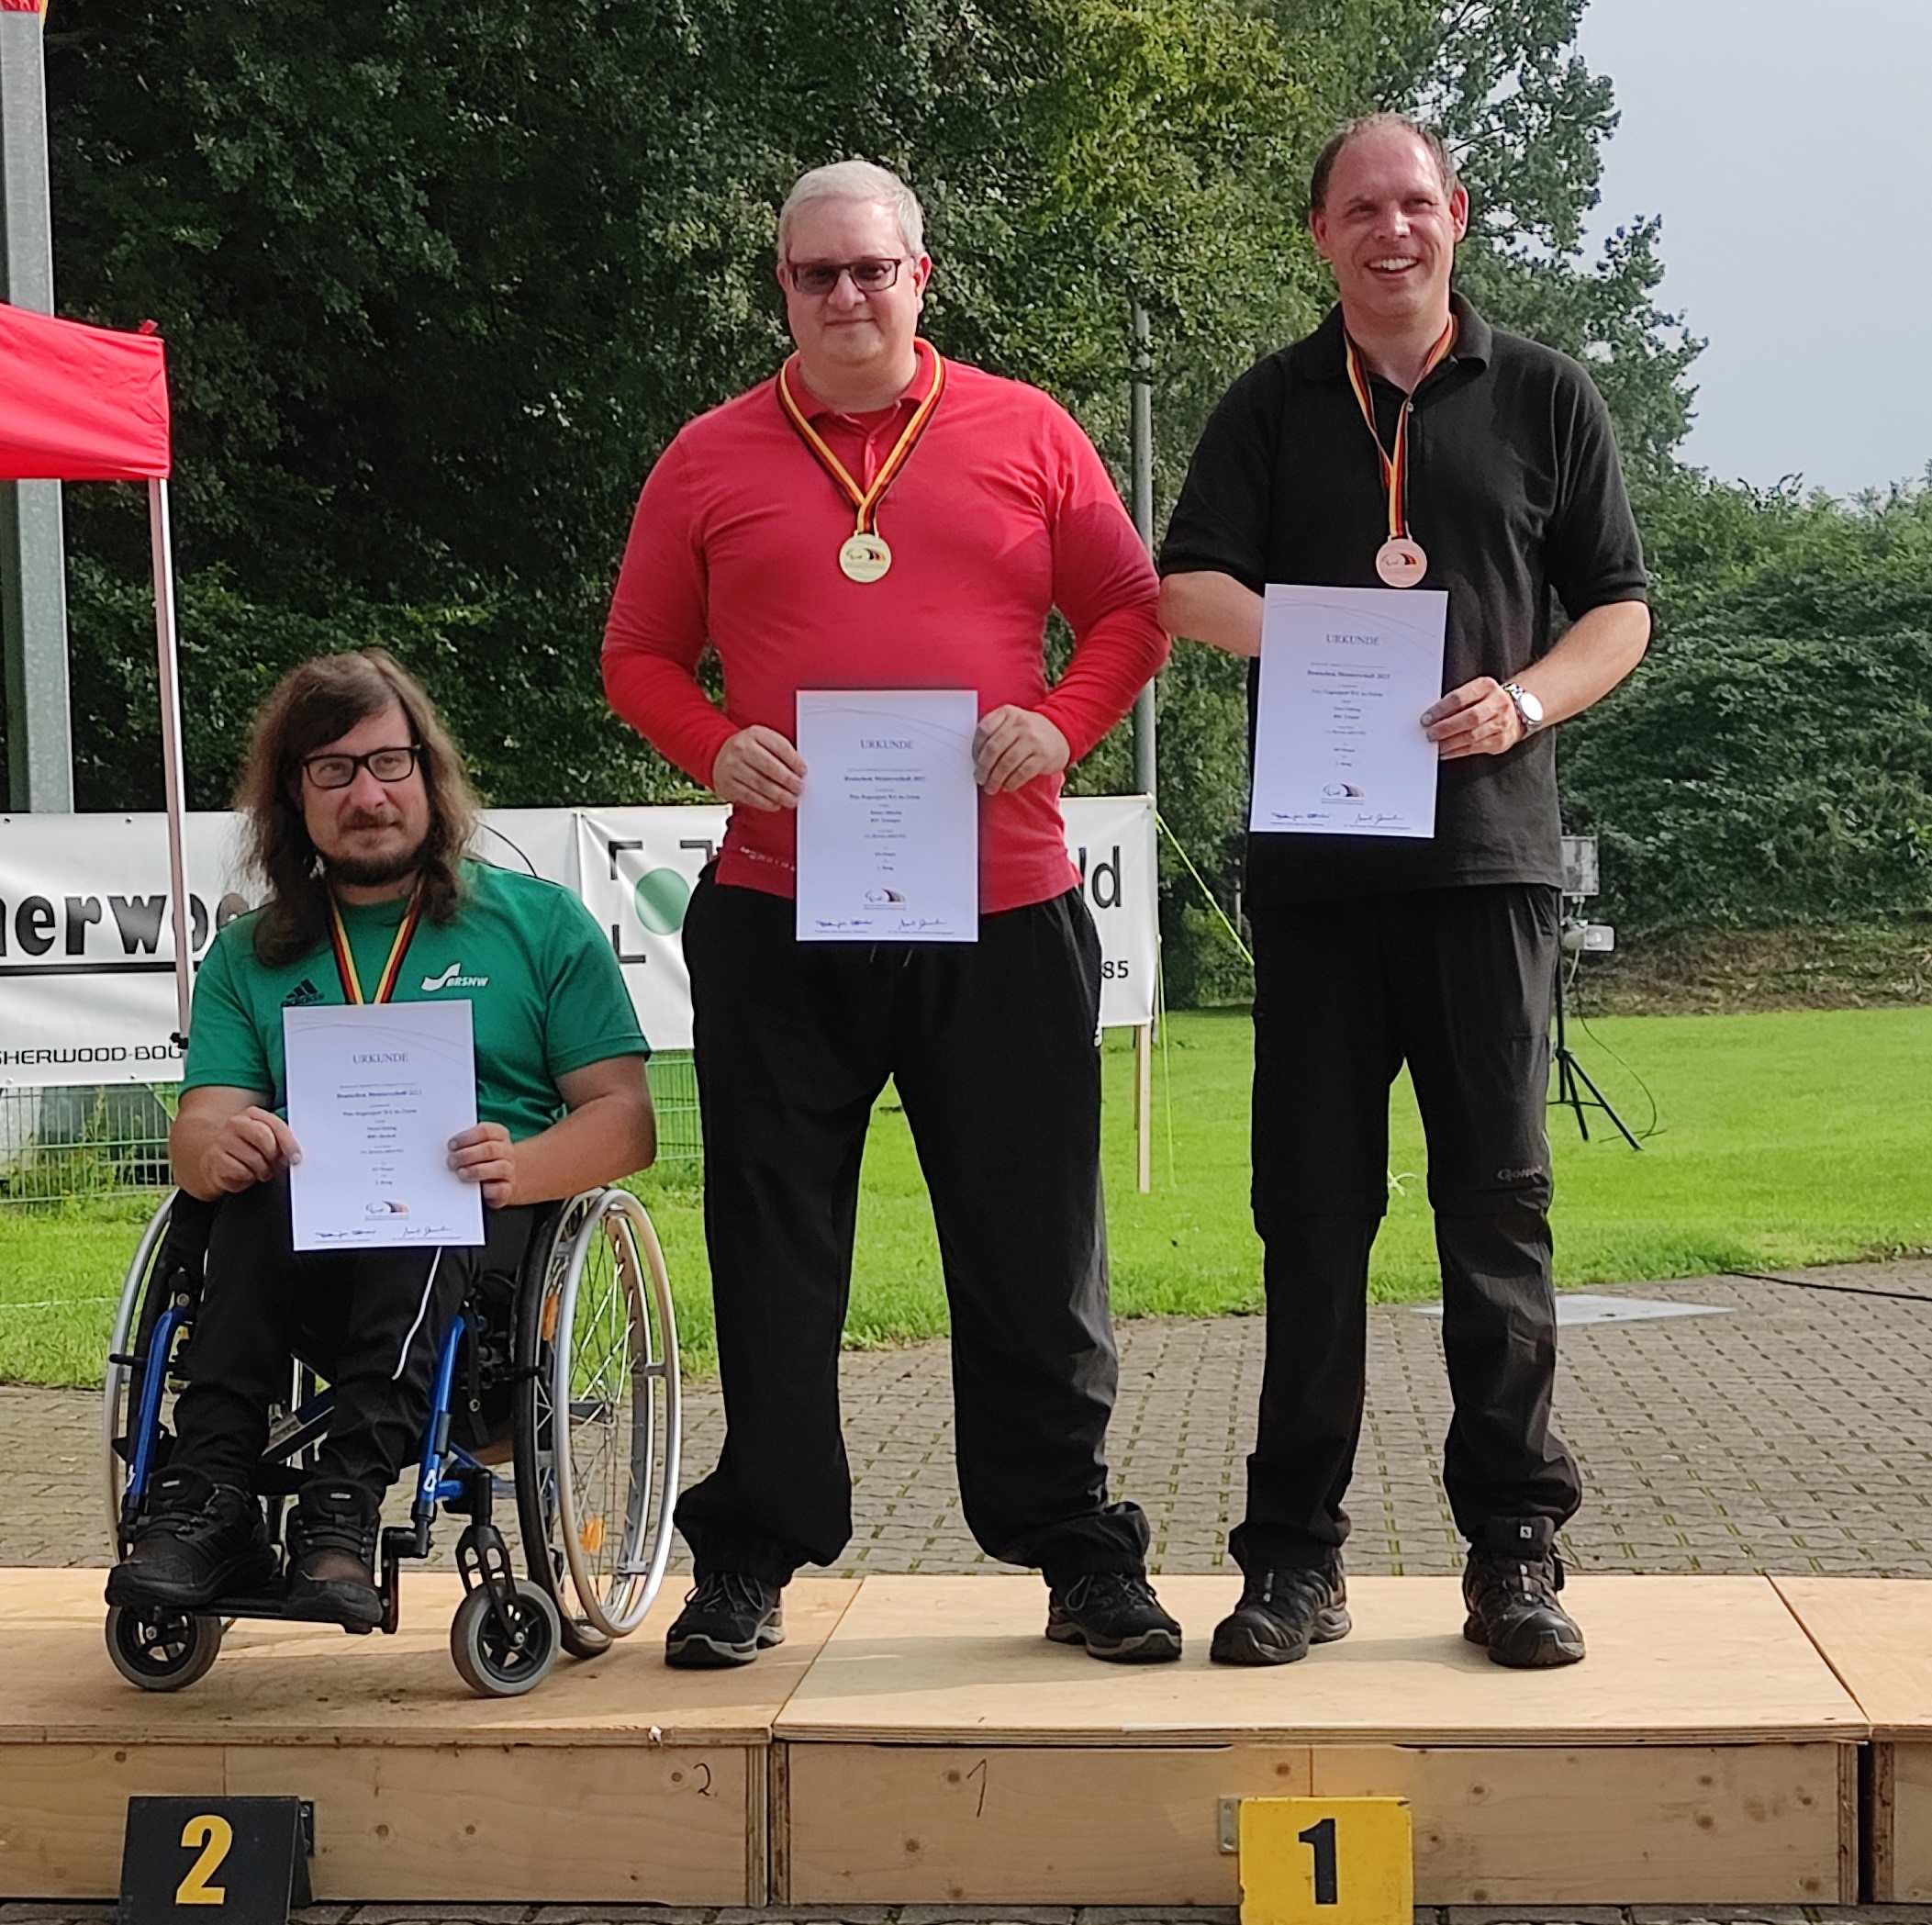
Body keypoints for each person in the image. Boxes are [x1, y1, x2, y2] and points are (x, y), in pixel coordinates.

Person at [604, 159, 1176, 1667]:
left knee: (1033, 1247)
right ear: (782, 288)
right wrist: (711, 745)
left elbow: (1130, 613)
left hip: (1002, 906)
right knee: (775, 1246)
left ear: (922, 275)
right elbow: (638, 655)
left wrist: (1060, 722)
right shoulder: (709, 455)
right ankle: (754, 1549)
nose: (847, 294)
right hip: (781, 910)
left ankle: (1074, 1544)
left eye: (872, 269)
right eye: (817, 274)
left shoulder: (1027, 430)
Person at [1158, 114, 1651, 1670]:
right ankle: (1295, 1559)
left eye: (1414, 204)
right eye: (1360, 208)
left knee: (1495, 1212)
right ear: (1320, 232)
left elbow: (1620, 608)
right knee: (1311, 1220)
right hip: (1317, 875)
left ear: (1458, 217)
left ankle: (1513, 1551)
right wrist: (1320, 641)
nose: (1391, 231)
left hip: (1486, 864)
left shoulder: (1547, 393)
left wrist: (1524, 699)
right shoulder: (1271, 400)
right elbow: (1184, 583)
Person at [106, 649, 654, 1630]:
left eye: (388, 763)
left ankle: (345, 1499)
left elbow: (624, 1118)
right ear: (295, 795)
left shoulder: (538, 926)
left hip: (486, 1245)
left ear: (427, 775)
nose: (367, 795)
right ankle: (210, 1492)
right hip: (300, 1259)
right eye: (334, 770)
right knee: (252, 1179)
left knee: (425, 1190)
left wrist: (523, 1164)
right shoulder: (249, 953)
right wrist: (220, 1148)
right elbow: (200, 1127)